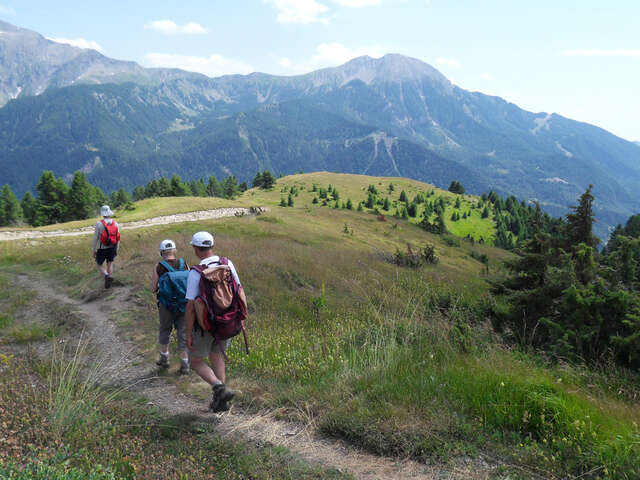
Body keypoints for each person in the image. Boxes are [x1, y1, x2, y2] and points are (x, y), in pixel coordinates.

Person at [185, 231, 241, 412]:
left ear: (195, 248)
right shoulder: (227, 264)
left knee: (195, 361)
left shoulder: (196, 272)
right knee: (217, 355)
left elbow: (191, 307)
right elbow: (239, 291)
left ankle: (219, 387)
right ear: (212, 246)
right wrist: (240, 318)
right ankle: (221, 401)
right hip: (227, 320)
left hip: (205, 325)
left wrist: (188, 334)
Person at [151, 239, 190, 375]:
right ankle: (185, 364)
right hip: (184, 304)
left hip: (166, 304)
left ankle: (164, 359)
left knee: (165, 329)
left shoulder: (159, 266)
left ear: (162, 252)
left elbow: (153, 289)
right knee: (183, 332)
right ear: (174, 251)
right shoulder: (184, 263)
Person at [92, 205, 120, 289]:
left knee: (99, 264)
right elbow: (118, 237)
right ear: (109, 213)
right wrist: (117, 249)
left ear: (102, 214)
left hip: (102, 248)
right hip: (112, 247)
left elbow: (95, 238)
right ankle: (109, 284)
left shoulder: (99, 224)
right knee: (110, 264)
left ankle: (107, 276)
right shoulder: (115, 223)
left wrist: (93, 249)